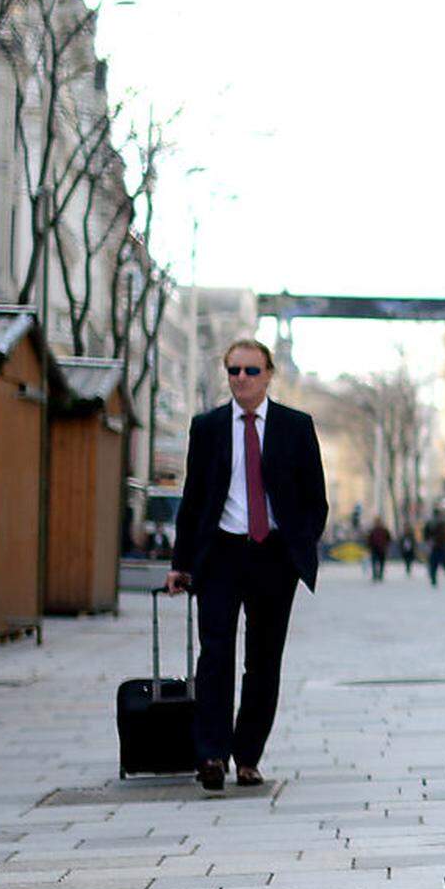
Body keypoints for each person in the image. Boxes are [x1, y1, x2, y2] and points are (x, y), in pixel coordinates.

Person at [166, 337, 327, 791]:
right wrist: (181, 562)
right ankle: (212, 755)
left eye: (250, 371)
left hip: (274, 557)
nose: (241, 379)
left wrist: (299, 547)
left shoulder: (296, 427)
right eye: (233, 370)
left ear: (269, 375)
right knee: (215, 654)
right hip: (220, 553)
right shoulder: (209, 427)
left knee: (263, 661)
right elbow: (194, 499)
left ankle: (248, 756)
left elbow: (315, 498)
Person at [425, 510, 445, 587]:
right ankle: (434, 574)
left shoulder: (430, 523)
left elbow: (426, 534)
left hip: (433, 545)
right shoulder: (442, 524)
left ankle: (433, 574)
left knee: (433, 562)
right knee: (437, 561)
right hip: (439, 545)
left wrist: (428, 541)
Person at [367, 517, 391, 582]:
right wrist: (369, 548)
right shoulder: (372, 531)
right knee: (374, 562)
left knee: (381, 563)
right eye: (376, 522)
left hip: (382, 549)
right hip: (374, 549)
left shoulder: (384, 530)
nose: (378, 523)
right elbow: (369, 540)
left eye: (379, 522)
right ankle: (375, 574)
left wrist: (386, 546)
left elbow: (388, 539)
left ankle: (380, 574)